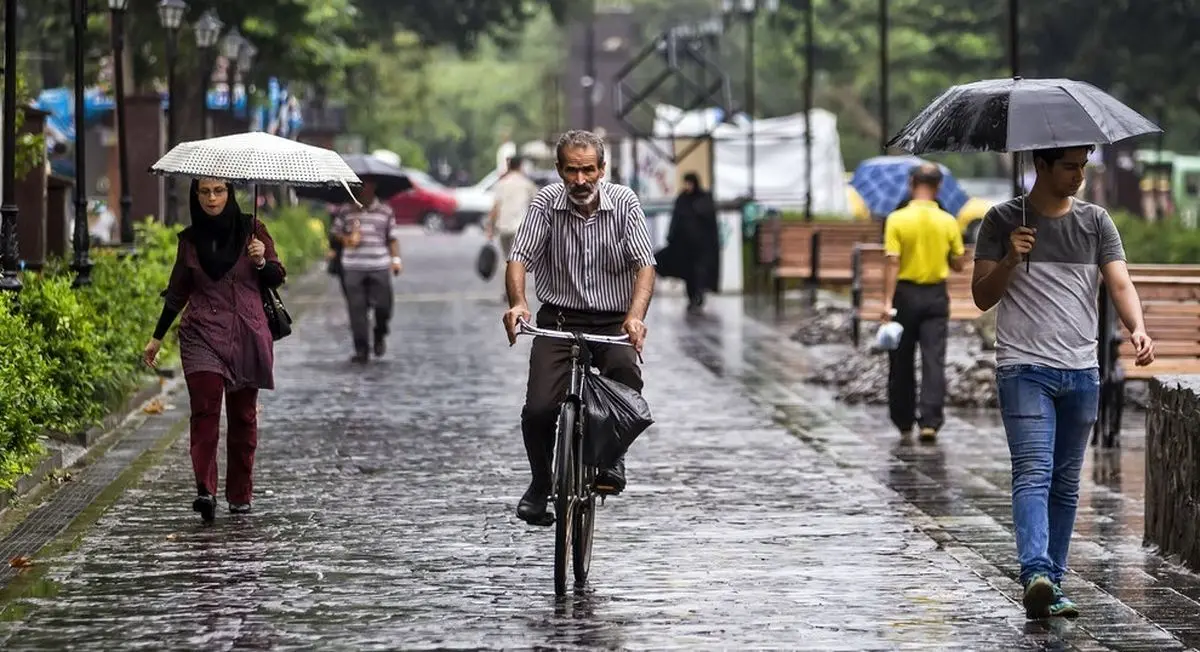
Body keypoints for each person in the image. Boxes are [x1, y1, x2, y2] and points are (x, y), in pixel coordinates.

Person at [972, 145, 1155, 620]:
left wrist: (1136, 325)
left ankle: (1051, 582)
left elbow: (1119, 283)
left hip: (1081, 371)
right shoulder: (1000, 221)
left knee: (1067, 483)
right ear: (1042, 166)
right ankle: (1034, 571)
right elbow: (981, 297)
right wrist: (1012, 257)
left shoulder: (1096, 222)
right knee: (1033, 471)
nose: (1079, 175)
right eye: (1070, 166)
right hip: (1023, 368)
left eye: (1082, 165)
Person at [502, 129, 657, 526]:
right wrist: (519, 303)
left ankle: (612, 459)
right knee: (538, 408)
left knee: (624, 380)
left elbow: (644, 265)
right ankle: (540, 484)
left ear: (602, 169)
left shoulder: (624, 203)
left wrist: (635, 317)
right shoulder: (545, 204)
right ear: (559, 170)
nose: (580, 180)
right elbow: (519, 257)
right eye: (572, 171)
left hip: (613, 319)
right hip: (559, 319)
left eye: (588, 170)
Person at [142, 178, 286, 523]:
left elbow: (277, 276)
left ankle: (240, 494)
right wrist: (157, 336)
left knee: (243, 417)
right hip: (202, 334)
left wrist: (262, 260)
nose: (211, 198)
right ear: (196, 196)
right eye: (204, 192)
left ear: (229, 193)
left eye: (219, 191)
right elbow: (177, 291)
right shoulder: (190, 241)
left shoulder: (252, 229)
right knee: (204, 412)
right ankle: (205, 491)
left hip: (247, 334)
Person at [881, 163, 968, 442]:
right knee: (934, 359)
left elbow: (893, 262)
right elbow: (957, 263)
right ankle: (930, 421)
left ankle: (903, 418)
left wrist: (886, 302)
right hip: (935, 296)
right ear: (938, 187)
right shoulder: (948, 221)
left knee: (901, 359)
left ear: (911, 184)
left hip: (904, 295)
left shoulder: (896, 219)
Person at [329, 180, 403, 363]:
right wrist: (347, 239)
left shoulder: (385, 211)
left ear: (374, 187)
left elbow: (392, 238)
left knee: (384, 305)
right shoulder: (346, 210)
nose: (364, 189)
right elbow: (335, 233)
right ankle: (361, 348)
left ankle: (380, 332)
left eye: (368, 185)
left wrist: (396, 260)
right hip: (353, 266)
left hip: (379, 264)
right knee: (357, 310)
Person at [668, 172, 720, 312]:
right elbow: (676, 220)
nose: (687, 186)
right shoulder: (682, 199)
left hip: (702, 247)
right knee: (688, 273)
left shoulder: (704, 199)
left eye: (689, 183)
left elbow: (710, 223)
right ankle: (692, 297)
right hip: (686, 247)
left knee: (700, 273)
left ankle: (699, 295)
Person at [486, 155, 539, 261]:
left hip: (503, 227)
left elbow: (495, 207)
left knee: (508, 259)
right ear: (521, 166)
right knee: (518, 260)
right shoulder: (527, 184)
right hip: (519, 228)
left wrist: (490, 228)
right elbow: (537, 205)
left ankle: (509, 276)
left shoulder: (502, 183)